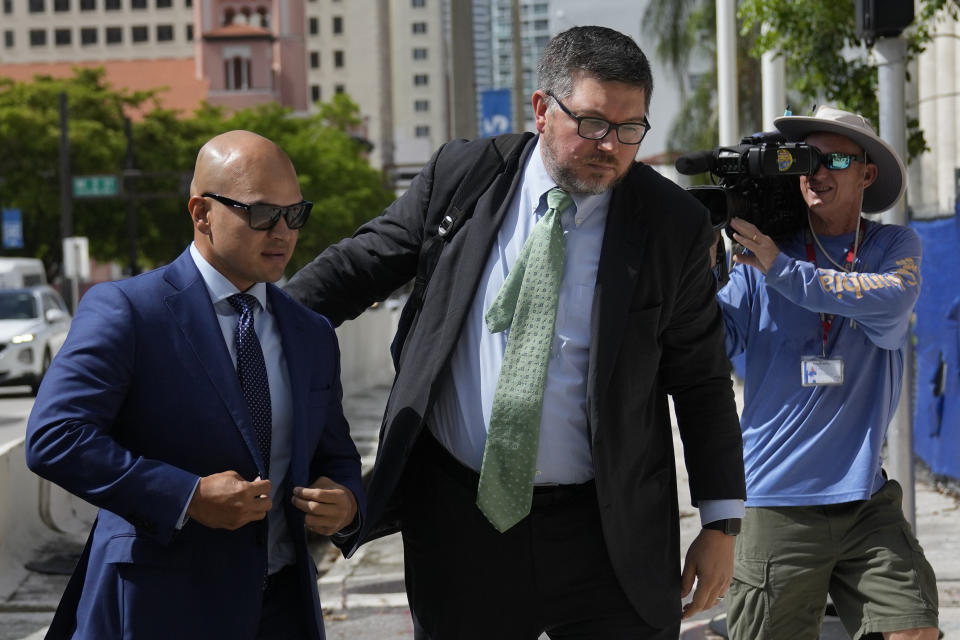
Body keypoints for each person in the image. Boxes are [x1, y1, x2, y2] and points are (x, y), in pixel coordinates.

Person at [285, 26, 745, 639]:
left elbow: (702, 381)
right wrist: (250, 321)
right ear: (540, 110)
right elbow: (354, 271)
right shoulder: (464, 177)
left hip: (607, 532)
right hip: (461, 523)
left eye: (630, 129)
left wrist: (720, 524)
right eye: (591, 124)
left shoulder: (674, 226)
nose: (610, 145)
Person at [25, 130, 364, 640]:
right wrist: (187, 496)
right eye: (262, 213)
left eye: (295, 214)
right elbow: (56, 437)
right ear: (202, 213)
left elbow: (332, 455)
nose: (283, 232)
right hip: (158, 608)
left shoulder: (310, 332)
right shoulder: (129, 310)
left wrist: (346, 503)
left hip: (283, 610)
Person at [718, 106, 939, 640]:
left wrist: (781, 269)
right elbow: (715, 342)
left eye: (836, 158)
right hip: (777, 499)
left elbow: (889, 301)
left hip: (864, 496)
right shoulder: (761, 257)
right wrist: (697, 265)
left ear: (867, 173)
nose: (817, 171)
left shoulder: (893, 248)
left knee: (914, 628)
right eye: (807, 159)